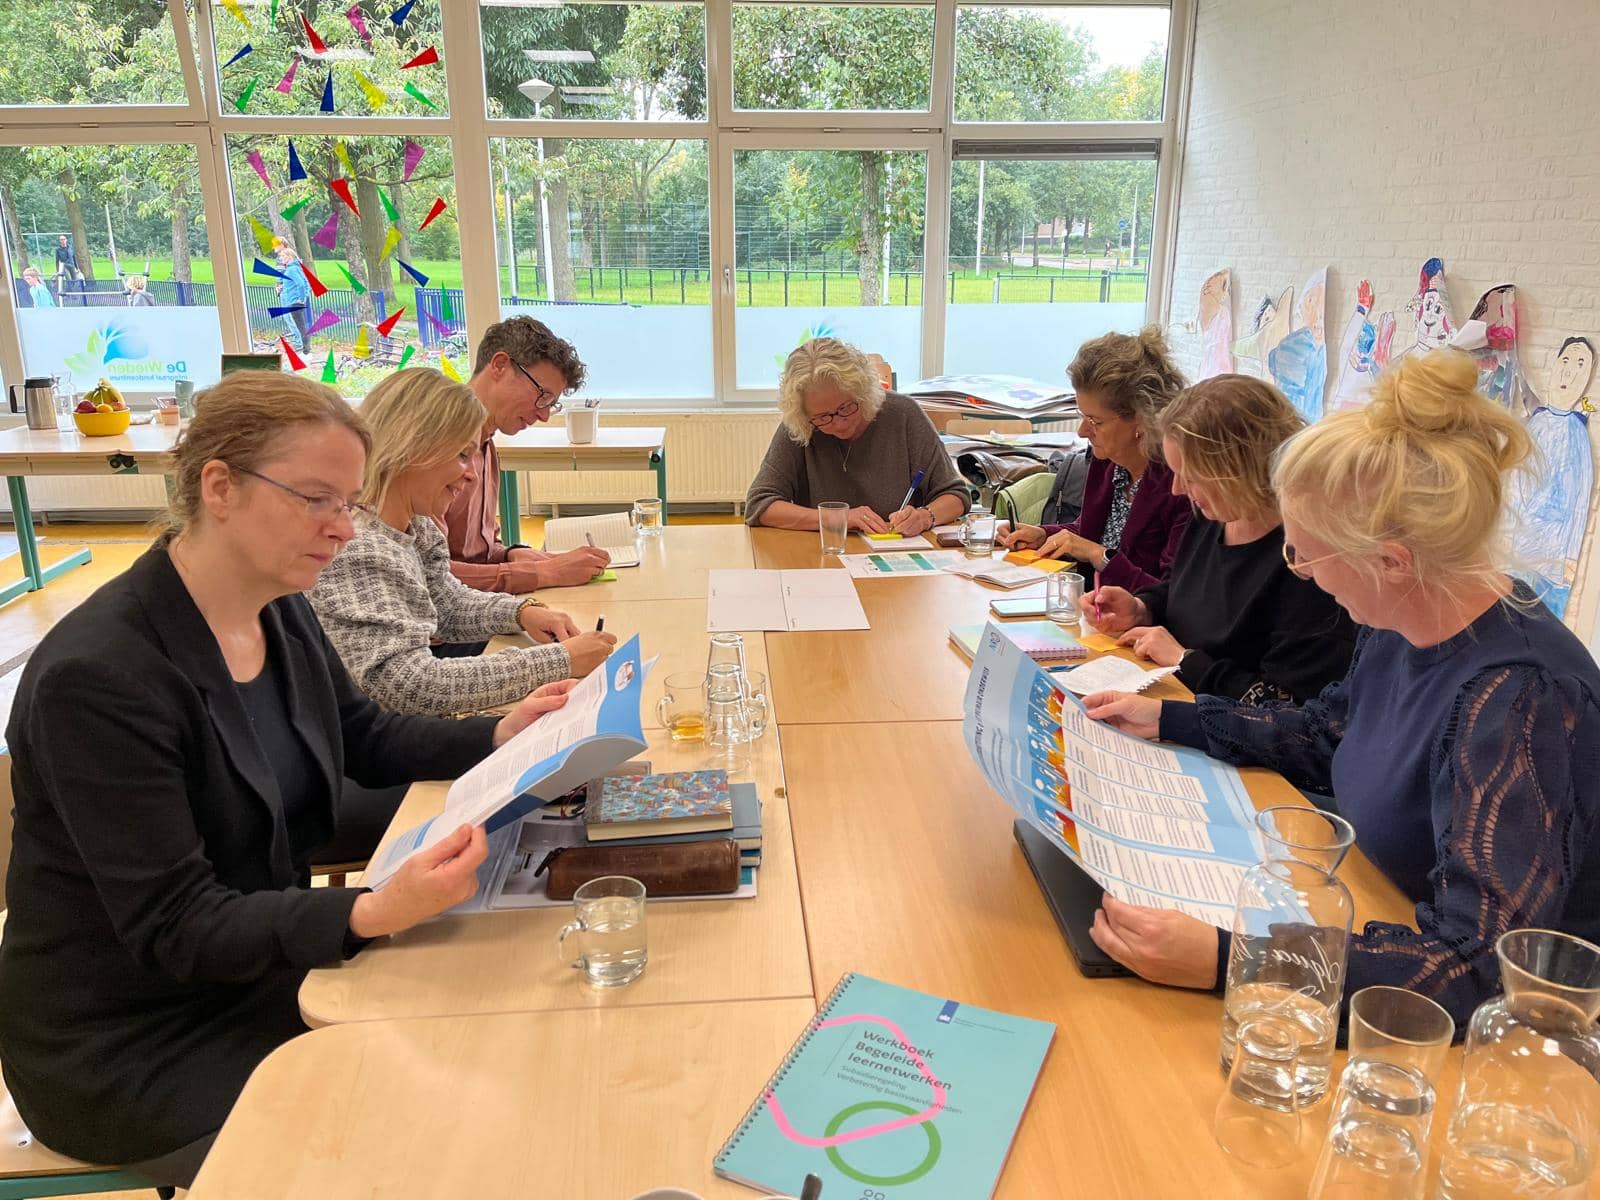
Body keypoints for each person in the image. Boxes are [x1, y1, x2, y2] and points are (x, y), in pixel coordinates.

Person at [0, 372, 586, 1187]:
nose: (342, 527)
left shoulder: (276, 602)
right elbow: (178, 923)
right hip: (135, 1042)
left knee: (494, 1031)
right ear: (219, 488)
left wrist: (500, 736)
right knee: (437, 1119)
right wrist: (373, 910)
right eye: (317, 499)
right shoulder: (101, 678)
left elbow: (362, 738)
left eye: (347, 502)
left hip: (253, 970)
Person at [1080, 351, 1600, 1026]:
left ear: (1390, 561)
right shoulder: (1405, 617)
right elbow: (1327, 733)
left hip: (1518, 1033)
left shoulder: (1518, 697)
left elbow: (1477, 965)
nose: (1299, 570)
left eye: (1303, 553)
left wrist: (1234, 959)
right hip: (1377, 900)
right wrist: (1170, 721)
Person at [311, 368, 616, 717]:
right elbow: (410, 686)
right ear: (411, 448)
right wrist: (559, 660)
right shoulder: (359, 547)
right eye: (461, 455)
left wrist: (521, 613)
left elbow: (445, 603)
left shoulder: (417, 525)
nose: (471, 473)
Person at [1083, 374, 1355, 704]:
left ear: (1239, 470)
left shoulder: (1307, 563)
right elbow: (1183, 591)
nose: (1177, 489)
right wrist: (1142, 609)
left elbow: (1285, 705)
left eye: (1192, 477)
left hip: (1224, 724)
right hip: (1174, 698)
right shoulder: (1211, 517)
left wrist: (1185, 661)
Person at [1000, 327, 1191, 590]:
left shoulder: (1179, 486)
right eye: (1083, 416)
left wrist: (1098, 555)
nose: (1082, 431)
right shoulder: (1109, 463)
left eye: (1095, 421)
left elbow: (1171, 595)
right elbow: (1093, 531)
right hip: (1088, 606)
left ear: (1141, 418)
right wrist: (1045, 535)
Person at [441, 316, 611, 593]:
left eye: (551, 404)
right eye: (542, 395)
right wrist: (544, 573)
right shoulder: (439, 446)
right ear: (500, 365)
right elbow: (429, 574)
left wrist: (511, 554)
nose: (544, 415)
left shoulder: (486, 445)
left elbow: (476, 552)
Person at [745, 337, 971, 535]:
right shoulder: (801, 424)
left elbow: (955, 495)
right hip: (824, 555)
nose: (838, 423)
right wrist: (838, 518)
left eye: (846, 408)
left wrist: (925, 516)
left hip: (896, 555)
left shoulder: (903, 414)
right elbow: (760, 505)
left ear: (863, 392)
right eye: (823, 417)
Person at [272, 237, 312, 353]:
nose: (274, 246)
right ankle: (301, 344)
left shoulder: (286, 260)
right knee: (293, 319)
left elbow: (290, 277)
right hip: (287, 291)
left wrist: (301, 297)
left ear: (282, 245)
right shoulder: (288, 259)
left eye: (276, 244)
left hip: (289, 293)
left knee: (291, 318)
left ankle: (299, 343)